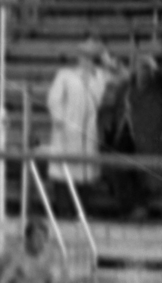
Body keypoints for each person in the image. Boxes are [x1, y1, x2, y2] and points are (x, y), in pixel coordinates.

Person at [46, 36, 116, 186]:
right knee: (63, 176)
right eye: (84, 56)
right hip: (67, 133)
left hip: (89, 134)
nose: (87, 60)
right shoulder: (65, 75)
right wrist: (61, 121)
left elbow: (125, 77)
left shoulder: (101, 76)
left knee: (85, 178)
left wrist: (108, 61)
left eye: (91, 57)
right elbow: (54, 100)